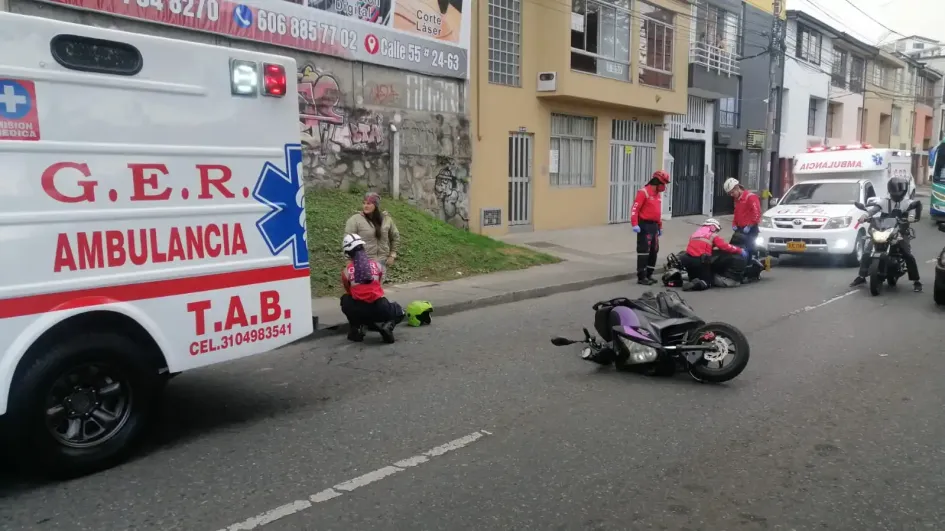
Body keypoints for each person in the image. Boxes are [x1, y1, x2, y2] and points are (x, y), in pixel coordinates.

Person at [849, 176, 922, 292]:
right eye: (894, 190)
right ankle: (861, 276)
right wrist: (865, 216)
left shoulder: (908, 203)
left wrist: (911, 218)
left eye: (898, 190)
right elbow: (873, 210)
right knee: (867, 251)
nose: (896, 193)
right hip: (883, 230)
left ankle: (916, 281)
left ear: (903, 191)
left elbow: (913, 213)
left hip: (900, 232)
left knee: (907, 254)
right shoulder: (884, 201)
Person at [339, 234, 403, 343]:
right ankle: (387, 326)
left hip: (359, 310)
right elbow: (378, 285)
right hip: (380, 307)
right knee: (400, 311)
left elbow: (349, 292)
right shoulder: (378, 266)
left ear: (347, 254)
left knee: (345, 299)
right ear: (364, 248)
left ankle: (357, 328)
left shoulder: (345, 272)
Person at [679, 218, 747, 291]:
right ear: (713, 227)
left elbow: (701, 245)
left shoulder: (695, 234)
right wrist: (739, 250)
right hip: (700, 261)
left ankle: (688, 279)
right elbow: (724, 246)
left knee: (693, 277)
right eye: (717, 230)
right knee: (707, 282)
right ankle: (697, 284)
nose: (717, 232)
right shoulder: (713, 235)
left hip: (687, 259)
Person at [344, 192, 401, 278]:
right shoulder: (355, 220)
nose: (365, 206)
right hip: (363, 263)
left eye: (369, 203)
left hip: (381, 262)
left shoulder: (386, 219)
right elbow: (347, 241)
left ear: (376, 205)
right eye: (364, 203)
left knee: (378, 289)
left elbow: (395, 237)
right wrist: (348, 261)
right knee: (365, 290)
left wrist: (392, 254)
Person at [631, 170, 671, 285]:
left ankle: (649, 274)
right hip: (644, 225)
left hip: (654, 226)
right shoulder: (643, 192)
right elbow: (635, 209)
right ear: (657, 182)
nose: (664, 187)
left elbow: (657, 213)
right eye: (663, 184)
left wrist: (660, 226)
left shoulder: (657, 195)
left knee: (654, 250)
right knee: (644, 251)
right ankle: (641, 276)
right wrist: (635, 224)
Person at [723, 178, 762, 260]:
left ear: (737, 188)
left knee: (749, 249)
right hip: (740, 229)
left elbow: (757, 213)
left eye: (732, 192)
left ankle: (749, 266)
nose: (731, 195)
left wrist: (750, 225)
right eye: (729, 193)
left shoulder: (751, 197)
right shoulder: (736, 199)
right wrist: (734, 224)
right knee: (734, 249)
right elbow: (736, 213)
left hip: (750, 230)